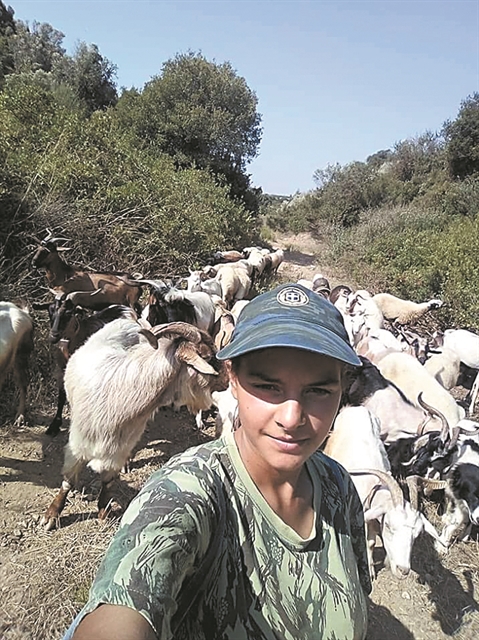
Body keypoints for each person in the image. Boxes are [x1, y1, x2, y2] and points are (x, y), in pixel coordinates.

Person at [65, 282, 371, 640]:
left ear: (342, 390)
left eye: (318, 390)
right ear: (233, 380)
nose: (291, 418)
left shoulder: (337, 484)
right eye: (268, 387)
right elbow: (124, 608)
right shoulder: (187, 491)